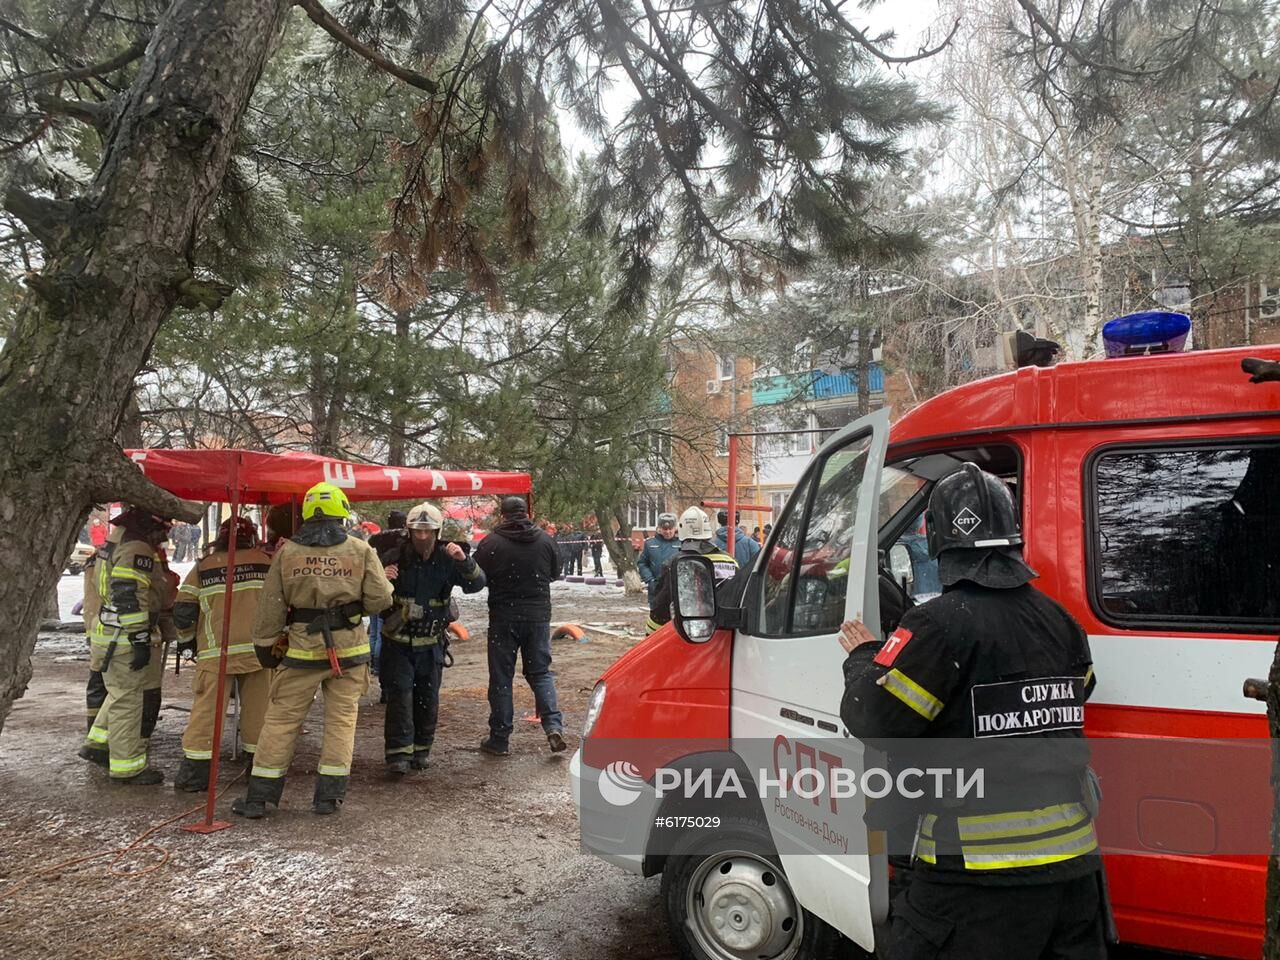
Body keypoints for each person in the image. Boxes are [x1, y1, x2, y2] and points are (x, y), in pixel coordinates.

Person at [839, 463, 1103, 960]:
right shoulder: (1059, 620)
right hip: (1074, 874)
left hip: (978, 879)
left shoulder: (938, 624)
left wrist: (864, 658)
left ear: (939, 541)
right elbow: (1075, 694)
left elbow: (872, 719)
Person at [231, 481, 394, 818]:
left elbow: (271, 606)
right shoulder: (360, 550)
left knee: (280, 721)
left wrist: (264, 645)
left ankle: (260, 797)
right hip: (348, 653)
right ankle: (328, 797)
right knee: (341, 722)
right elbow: (381, 599)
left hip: (302, 652)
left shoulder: (287, 552)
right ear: (341, 513)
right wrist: (352, 606)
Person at [378, 501, 486, 775]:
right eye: (417, 531)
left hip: (432, 644)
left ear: (437, 532)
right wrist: (382, 577)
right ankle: (398, 756)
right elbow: (366, 589)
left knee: (427, 698)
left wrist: (465, 561)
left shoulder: (448, 557)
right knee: (400, 696)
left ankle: (421, 750)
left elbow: (476, 584)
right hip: (398, 641)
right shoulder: (393, 556)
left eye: (428, 532)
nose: (422, 537)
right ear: (410, 531)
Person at [171, 516, 274, 792]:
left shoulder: (205, 566)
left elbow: (183, 611)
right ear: (251, 538)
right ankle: (258, 769)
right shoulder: (266, 562)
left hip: (216, 653)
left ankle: (196, 773)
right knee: (259, 711)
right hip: (259, 652)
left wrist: (186, 642)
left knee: (207, 713)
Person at [79, 508, 175, 784]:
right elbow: (128, 594)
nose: (165, 535)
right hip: (123, 637)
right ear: (149, 524)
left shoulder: (118, 538)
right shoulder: (137, 549)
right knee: (128, 701)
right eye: (163, 529)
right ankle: (126, 768)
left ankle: (97, 744)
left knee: (119, 692)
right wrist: (139, 636)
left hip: (109, 634)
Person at [473, 495, 566, 756]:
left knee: (502, 678)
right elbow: (555, 573)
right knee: (540, 673)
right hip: (537, 617)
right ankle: (553, 726)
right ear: (526, 513)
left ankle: (499, 738)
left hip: (503, 618)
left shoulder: (491, 543)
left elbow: (477, 577)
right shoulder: (546, 541)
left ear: (502, 515)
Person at [646, 508, 738, 632]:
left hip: (691, 633)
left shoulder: (675, 563)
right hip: (726, 635)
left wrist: (650, 633)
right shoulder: (730, 561)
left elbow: (662, 608)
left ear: (682, 530)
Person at [367, 510, 409, 681]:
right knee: (384, 631)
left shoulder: (377, 541)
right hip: (390, 591)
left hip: (376, 586)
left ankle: (372, 664)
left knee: (374, 632)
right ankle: (379, 665)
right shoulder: (403, 542)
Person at [636, 512, 680, 601]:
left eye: (670, 528)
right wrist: (650, 580)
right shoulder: (650, 544)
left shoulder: (682, 544)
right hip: (656, 589)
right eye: (664, 528)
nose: (667, 532)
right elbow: (642, 563)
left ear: (675, 528)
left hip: (677, 589)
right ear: (659, 528)